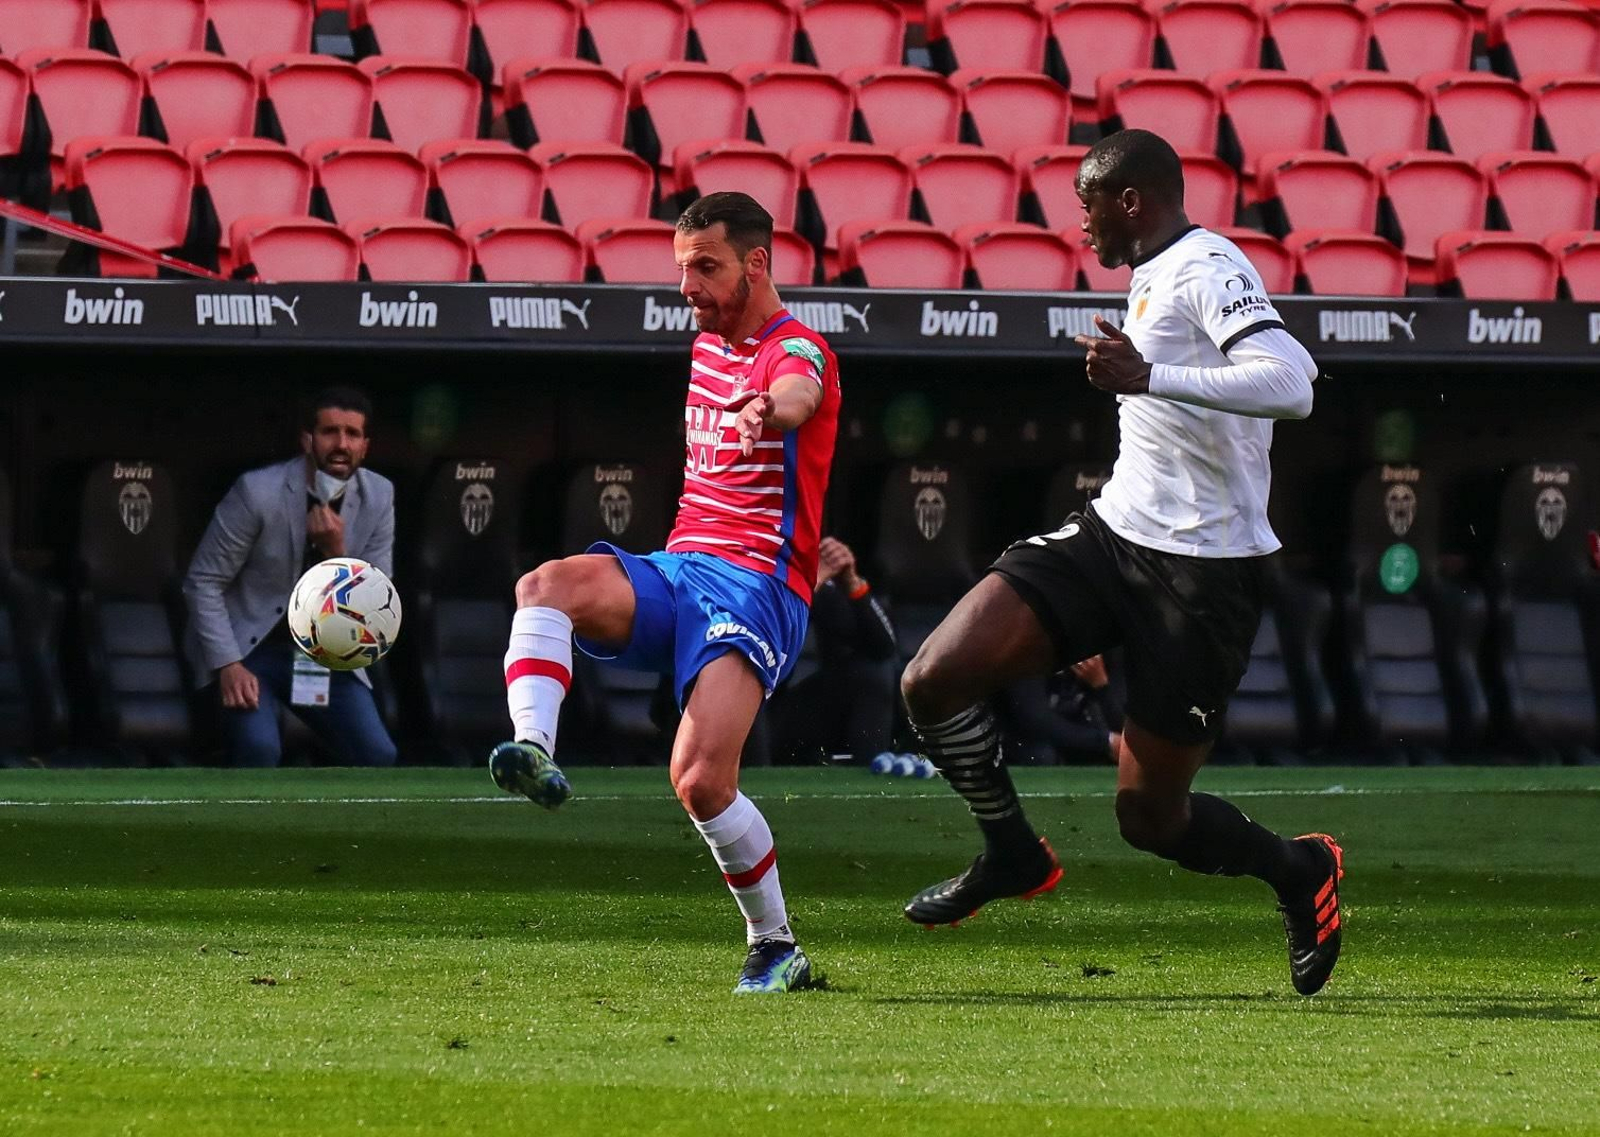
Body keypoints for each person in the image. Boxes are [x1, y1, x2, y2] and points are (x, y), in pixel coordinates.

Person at [898, 129, 1345, 996]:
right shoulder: (1150, 274)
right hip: (1112, 538)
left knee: (1149, 817)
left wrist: (1150, 377)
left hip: (1205, 575)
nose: (1081, 225)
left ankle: (1299, 869)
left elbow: (1293, 381)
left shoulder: (1207, 265)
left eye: (1087, 205)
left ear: (1129, 200)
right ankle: (1012, 850)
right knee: (932, 678)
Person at [488, 192, 842, 994]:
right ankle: (534, 752)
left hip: (755, 588)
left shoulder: (802, 350)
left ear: (758, 264)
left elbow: (802, 392)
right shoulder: (705, 346)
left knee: (701, 781)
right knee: (545, 585)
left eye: (705, 268)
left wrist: (767, 409)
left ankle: (774, 943)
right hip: (681, 566)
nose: (688, 287)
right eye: (682, 270)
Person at [183, 386, 398, 768]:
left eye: (352, 434)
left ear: (365, 446)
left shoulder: (379, 495)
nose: (341, 444)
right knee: (260, 750)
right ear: (307, 439)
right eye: (330, 431)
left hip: (324, 653)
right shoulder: (258, 492)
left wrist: (336, 553)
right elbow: (203, 582)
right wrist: (228, 665)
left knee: (378, 754)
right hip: (252, 649)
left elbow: (376, 605)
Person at [764, 535, 898, 764]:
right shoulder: (754, 569)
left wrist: (852, 584)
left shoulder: (815, 578)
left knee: (873, 673)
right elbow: (766, 652)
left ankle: (871, 781)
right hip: (753, 708)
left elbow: (883, 648)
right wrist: (807, 587)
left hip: (792, 712)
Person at [999, 655, 1123, 766]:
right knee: (1043, 754)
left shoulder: (1109, 656)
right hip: (1025, 739)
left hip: (1082, 736)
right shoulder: (1031, 654)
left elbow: (1124, 726)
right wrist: (1105, 741)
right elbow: (1036, 719)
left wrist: (1101, 686)